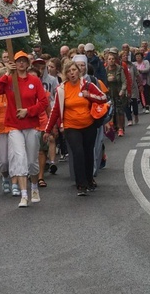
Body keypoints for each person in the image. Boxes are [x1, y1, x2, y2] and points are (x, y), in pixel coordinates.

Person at [0, 50, 49, 208]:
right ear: (14, 63)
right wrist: (7, 73)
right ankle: (24, 195)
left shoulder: (34, 81)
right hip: (13, 125)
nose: (21, 63)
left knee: (31, 161)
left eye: (24, 61)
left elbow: (43, 102)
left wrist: (28, 111)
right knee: (19, 157)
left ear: (28, 63)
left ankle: (34, 187)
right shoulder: (9, 80)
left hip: (31, 124)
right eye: (18, 61)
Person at [44, 60, 108, 196]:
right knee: (78, 153)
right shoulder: (61, 89)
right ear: (65, 74)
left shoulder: (87, 85)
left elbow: (103, 98)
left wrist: (89, 95)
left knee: (88, 153)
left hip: (88, 124)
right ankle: (81, 184)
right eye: (68, 71)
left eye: (74, 70)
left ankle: (90, 180)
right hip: (71, 126)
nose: (71, 73)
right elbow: (55, 111)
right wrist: (48, 130)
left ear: (78, 72)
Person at [105, 51, 128, 137]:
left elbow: (124, 81)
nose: (111, 60)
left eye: (113, 59)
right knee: (111, 111)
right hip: (109, 93)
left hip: (118, 92)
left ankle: (121, 128)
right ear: (107, 61)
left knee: (119, 111)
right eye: (109, 59)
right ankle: (113, 127)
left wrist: (123, 90)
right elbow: (103, 82)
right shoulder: (105, 70)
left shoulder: (119, 69)